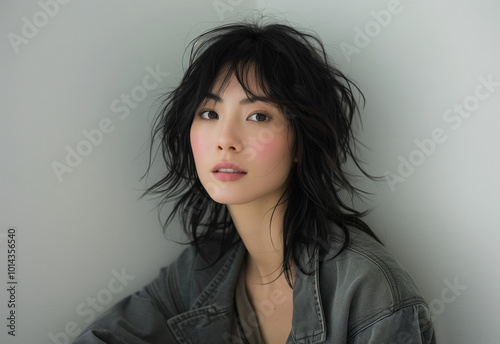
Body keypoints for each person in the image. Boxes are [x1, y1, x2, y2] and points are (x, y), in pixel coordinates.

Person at [74, 20, 435, 344]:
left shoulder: (366, 287)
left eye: (258, 115)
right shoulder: (200, 270)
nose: (225, 138)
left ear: (301, 141)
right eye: (209, 113)